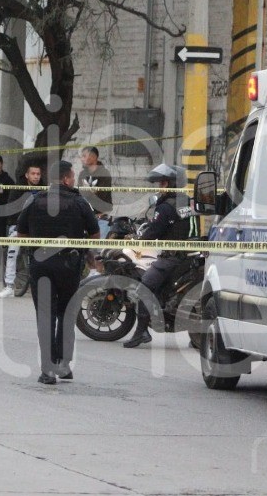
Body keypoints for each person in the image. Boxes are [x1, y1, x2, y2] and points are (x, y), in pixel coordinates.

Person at [16, 159, 100, 384]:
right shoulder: (80, 202)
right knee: (66, 313)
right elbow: (95, 234)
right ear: (65, 178)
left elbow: (20, 233)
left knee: (45, 316)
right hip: (68, 265)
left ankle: (47, 370)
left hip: (40, 263)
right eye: (72, 177)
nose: (74, 180)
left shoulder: (34, 200)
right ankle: (63, 364)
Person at [122, 163, 191, 349]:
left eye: (162, 184)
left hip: (170, 258)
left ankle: (141, 332)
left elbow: (155, 231)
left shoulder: (166, 207)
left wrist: (139, 240)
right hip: (185, 255)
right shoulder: (185, 201)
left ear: (169, 184)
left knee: (144, 287)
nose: (160, 188)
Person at [0, 162, 43, 298]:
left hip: (38, 229)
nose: (36, 177)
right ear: (27, 175)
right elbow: (11, 210)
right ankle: (9, 286)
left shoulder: (44, 189)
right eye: (33, 174)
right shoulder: (18, 189)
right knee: (12, 251)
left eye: (38, 174)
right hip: (19, 227)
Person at [78, 146, 113, 238]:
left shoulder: (104, 173)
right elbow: (80, 194)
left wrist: (88, 191)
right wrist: (91, 191)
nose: (81, 159)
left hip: (101, 217)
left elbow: (101, 194)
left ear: (93, 157)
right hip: (84, 218)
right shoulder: (82, 174)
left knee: (98, 249)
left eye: (84, 156)